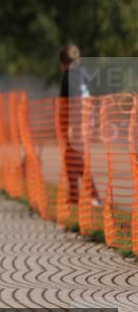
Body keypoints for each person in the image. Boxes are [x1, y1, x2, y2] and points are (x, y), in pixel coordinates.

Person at [58, 44, 100, 207]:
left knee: (76, 158)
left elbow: (74, 99)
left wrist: (71, 125)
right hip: (86, 119)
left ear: (62, 63)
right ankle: (74, 195)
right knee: (71, 157)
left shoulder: (70, 74)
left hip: (77, 121)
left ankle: (94, 195)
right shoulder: (83, 73)